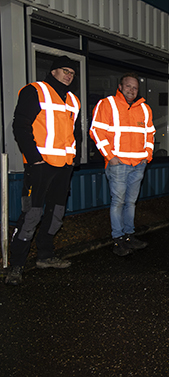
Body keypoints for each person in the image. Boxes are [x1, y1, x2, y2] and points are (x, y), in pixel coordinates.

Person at [5, 55, 81, 285]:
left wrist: (74, 158)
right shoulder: (35, 90)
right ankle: (16, 265)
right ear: (53, 71)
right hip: (39, 167)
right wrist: (34, 159)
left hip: (64, 166)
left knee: (56, 213)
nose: (69, 75)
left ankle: (45, 257)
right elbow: (20, 125)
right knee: (31, 214)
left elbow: (74, 133)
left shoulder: (73, 100)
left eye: (72, 73)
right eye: (65, 70)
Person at [90, 73, 155, 256]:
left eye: (135, 87)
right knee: (118, 202)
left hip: (139, 164)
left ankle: (129, 236)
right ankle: (118, 239)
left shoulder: (144, 109)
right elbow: (96, 131)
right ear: (120, 86)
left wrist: (147, 156)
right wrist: (110, 157)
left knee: (131, 203)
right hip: (118, 163)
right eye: (128, 86)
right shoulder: (107, 104)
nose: (132, 90)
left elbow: (150, 134)